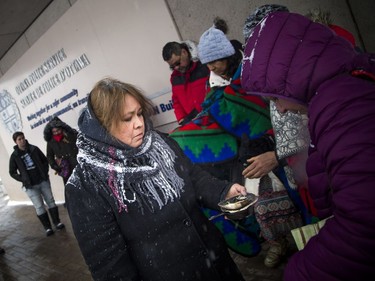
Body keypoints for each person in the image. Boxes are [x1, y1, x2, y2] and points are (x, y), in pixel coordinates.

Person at [65, 77, 247, 281]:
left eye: (139, 114)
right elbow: (110, 267)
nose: (139, 124)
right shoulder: (86, 185)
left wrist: (224, 192)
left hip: (217, 264)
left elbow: (194, 178)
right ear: (103, 126)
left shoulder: (160, 143)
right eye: (127, 119)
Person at [241, 11, 375, 280]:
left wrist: (301, 271)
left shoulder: (340, 107)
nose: (279, 108)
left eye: (275, 98)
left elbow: (365, 226)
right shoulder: (341, 89)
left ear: (292, 78)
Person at [9, 132, 65, 237]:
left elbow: (44, 160)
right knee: (39, 206)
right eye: (19, 139)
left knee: (51, 201)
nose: (22, 141)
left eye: (23, 138)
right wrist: (23, 180)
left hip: (43, 181)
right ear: (16, 142)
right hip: (30, 186)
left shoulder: (34, 149)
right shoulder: (14, 156)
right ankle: (47, 228)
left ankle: (57, 222)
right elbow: (12, 172)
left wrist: (44, 172)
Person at [162, 40, 209, 125]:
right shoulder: (175, 78)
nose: (176, 68)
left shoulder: (205, 66)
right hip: (193, 123)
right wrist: (181, 119)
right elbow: (176, 101)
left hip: (212, 118)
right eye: (172, 66)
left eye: (177, 63)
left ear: (184, 52)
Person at [43, 116, 78, 185]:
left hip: (77, 165)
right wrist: (54, 165)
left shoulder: (70, 134)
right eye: (54, 132)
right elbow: (49, 156)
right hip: (66, 169)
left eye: (58, 130)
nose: (56, 133)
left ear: (62, 128)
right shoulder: (50, 142)